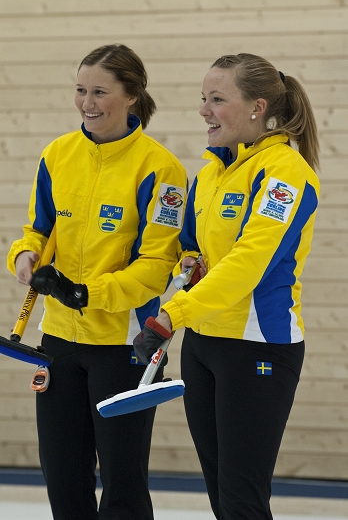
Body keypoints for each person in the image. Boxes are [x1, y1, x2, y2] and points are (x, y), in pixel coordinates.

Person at [133, 53, 320, 519]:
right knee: (221, 495)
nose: (204, 110)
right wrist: (188, 264)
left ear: (257, 107)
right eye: (203, 98)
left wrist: (171, 315)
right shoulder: (212, 173)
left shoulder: (285, 174)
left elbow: (246, 266)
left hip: (257, 347)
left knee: (242, 499)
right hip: (203, 345)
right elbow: (194, 249)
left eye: (217, 99)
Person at [7, 43, 187, 520]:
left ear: (132, 96)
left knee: (124, 484)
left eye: (100, 92)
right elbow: (39, 230)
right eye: (81, 90)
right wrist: (25, 256)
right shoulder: (58, 154)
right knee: (63, 477)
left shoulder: (160, 168)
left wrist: (88, 294)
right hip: (60, 341)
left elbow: (156, 265)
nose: (88, 102)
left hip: (125, 345)